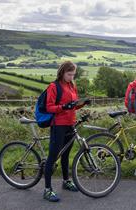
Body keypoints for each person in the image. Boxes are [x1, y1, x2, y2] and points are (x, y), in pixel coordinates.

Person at [43, 61, 89, 202]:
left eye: (73, 74)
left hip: (70, 124)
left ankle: (66, 181)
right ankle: (47, 190)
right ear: (62, 72)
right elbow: (49, 107)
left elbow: (72, 107)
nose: (71, 77)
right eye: (69, 74)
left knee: (66, 155)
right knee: (53, 156)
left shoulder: (72, 85)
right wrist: (64, 106)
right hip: (58, 125)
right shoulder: (54, 86)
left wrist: (82, 104)